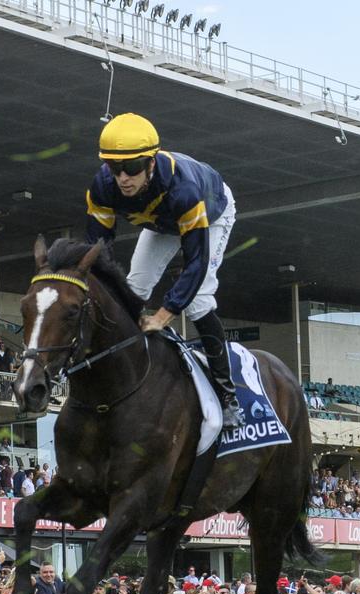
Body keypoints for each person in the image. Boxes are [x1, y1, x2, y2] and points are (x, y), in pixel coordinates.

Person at [84, 112, 243, 427]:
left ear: (151, 163)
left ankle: (228, 398)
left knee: (198, 301)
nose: (123, 178)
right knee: (132, 291)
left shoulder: (184, 190)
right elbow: (98, 255)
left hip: (210, 214)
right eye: (115, 168)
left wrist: (162, 316)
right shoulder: (102, 187)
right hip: (161, 221)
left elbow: (195, 263)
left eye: (131, 168)